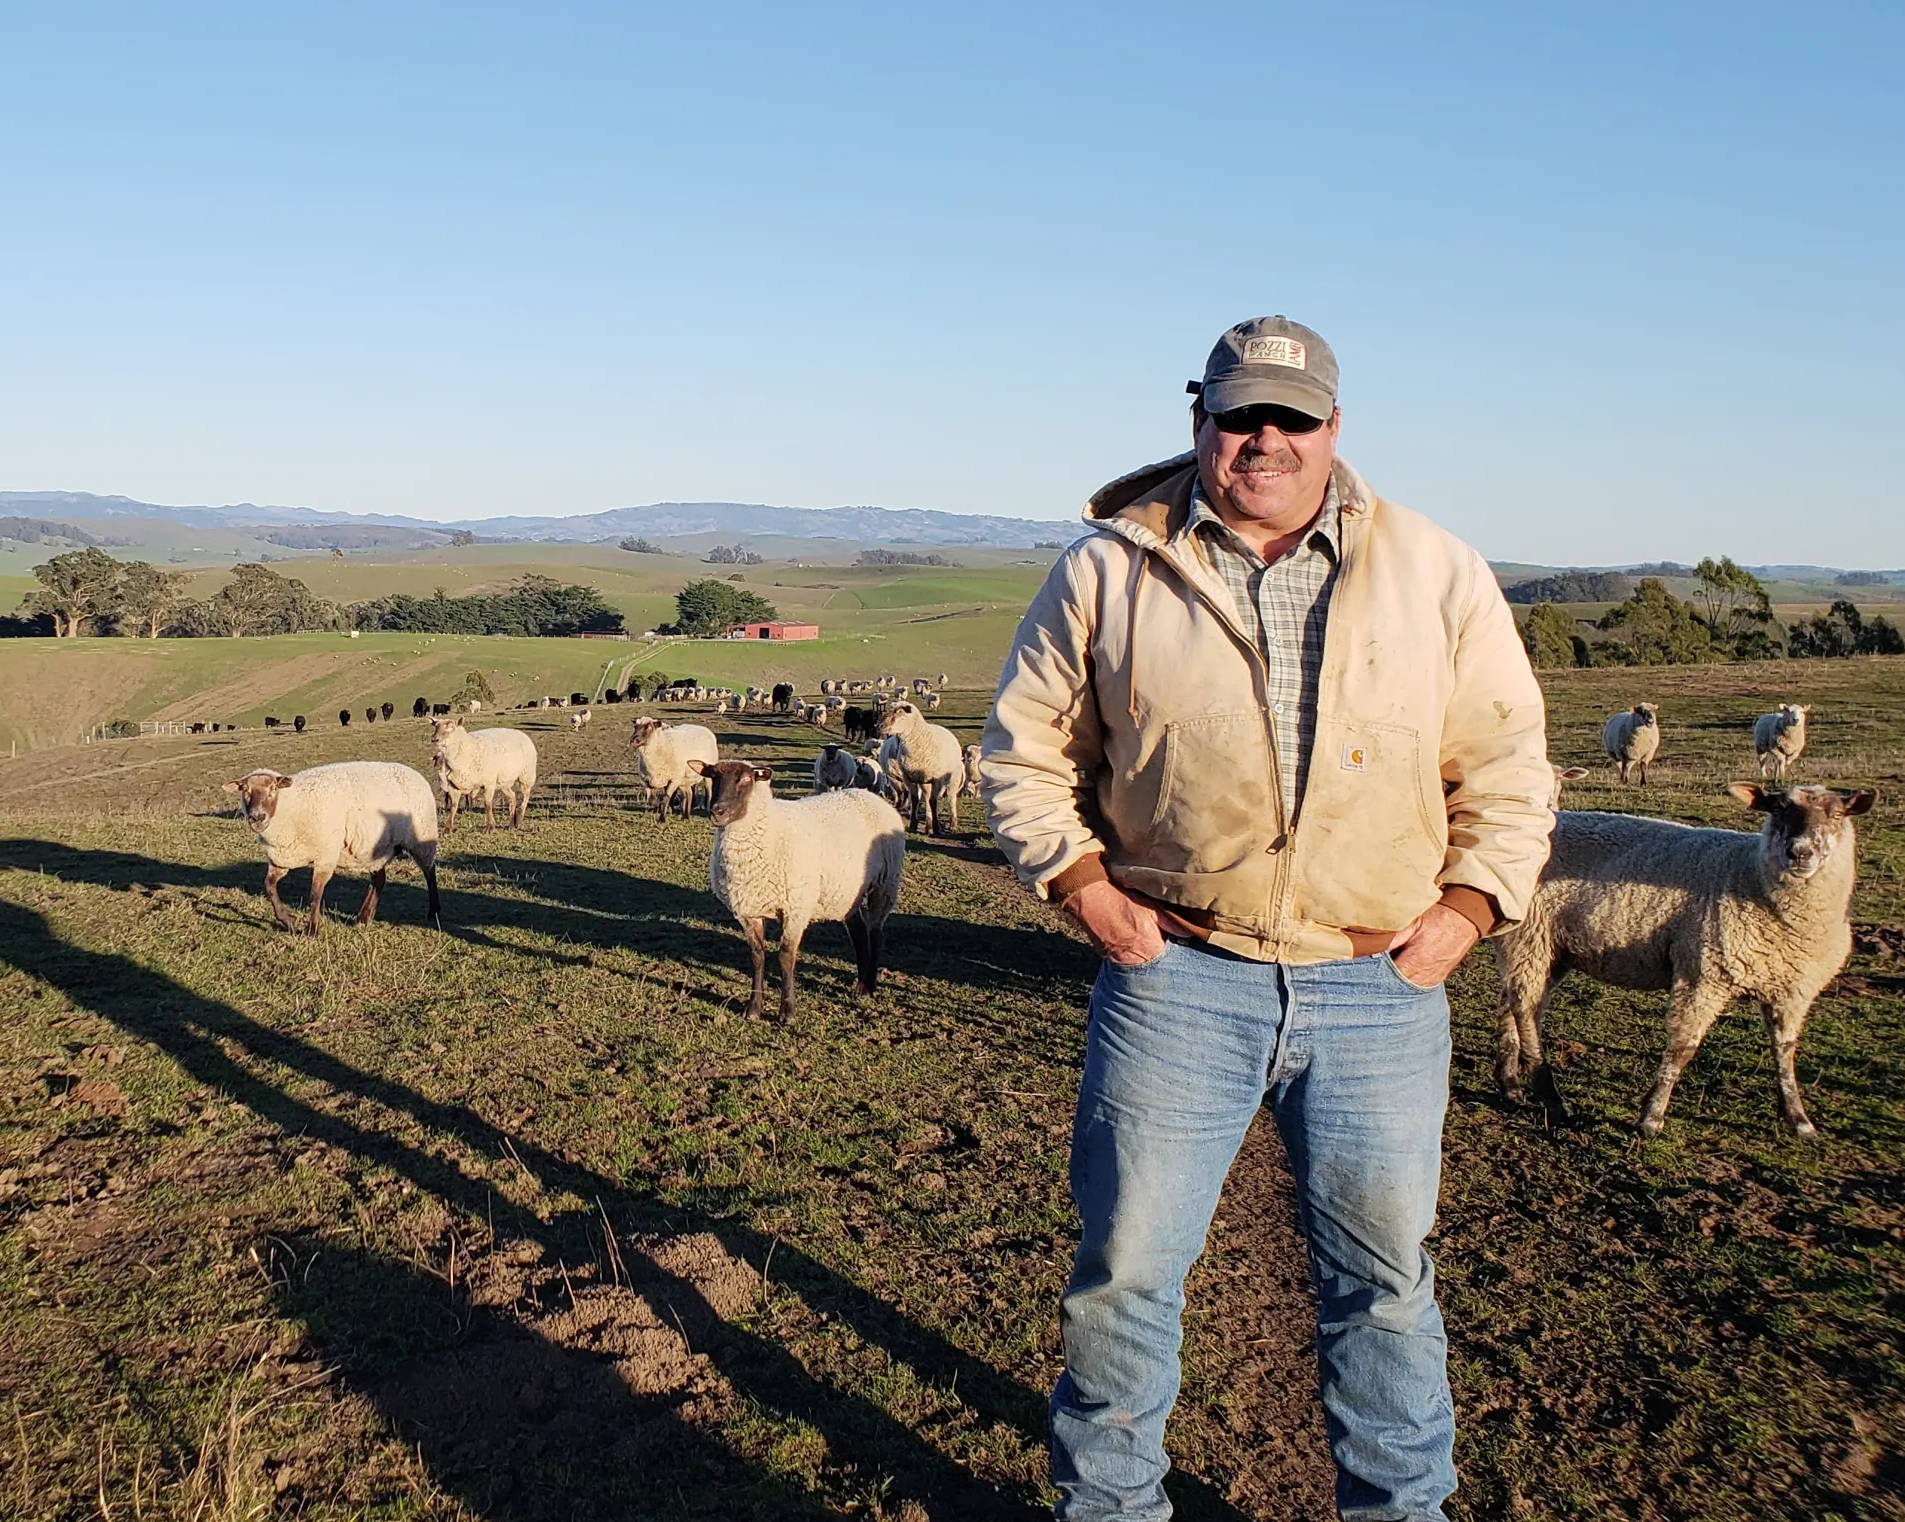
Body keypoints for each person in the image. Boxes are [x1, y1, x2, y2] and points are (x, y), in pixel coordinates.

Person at [980, 316, 1553, 1521]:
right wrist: (1085, 889)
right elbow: (1024, 751)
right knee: (1128, 1273)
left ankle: (1398, 1511)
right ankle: (1111, 1507)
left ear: (1335, 428)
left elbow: (1508, 765)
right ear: (1201, 420)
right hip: (1177, 973)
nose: (1266, 440)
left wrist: (1465, 910)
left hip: (1376, 985)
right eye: (1242, 414)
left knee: (1384, 1283)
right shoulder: (1108, 567)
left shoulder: (1436, 569)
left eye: (1293, 417)